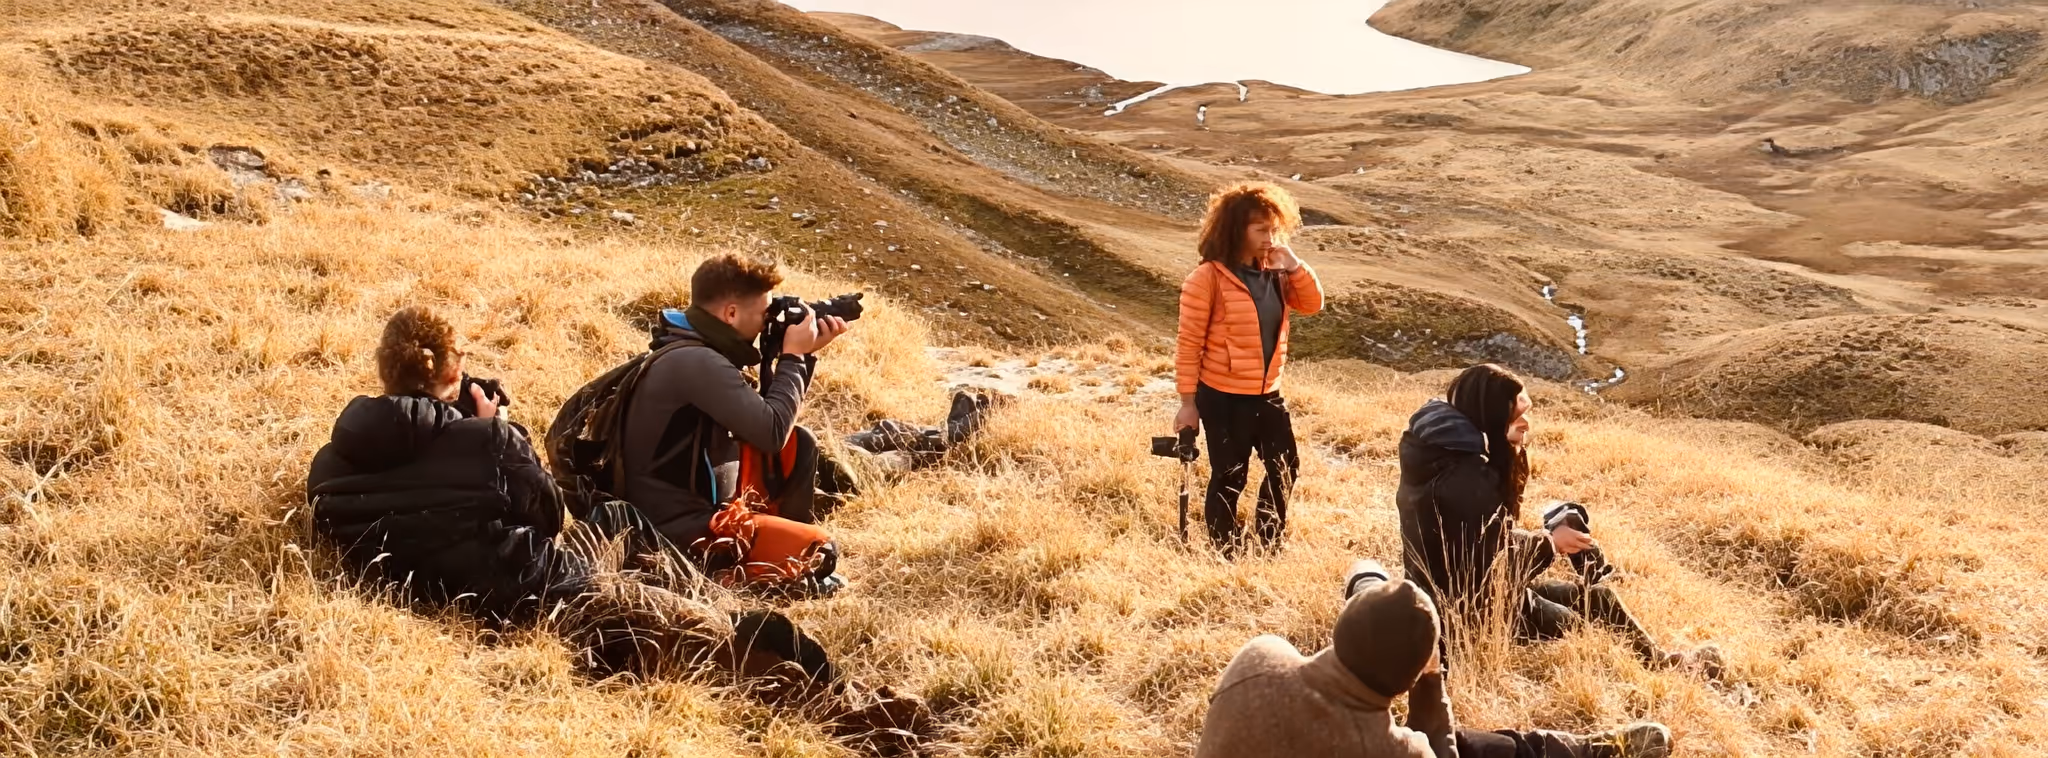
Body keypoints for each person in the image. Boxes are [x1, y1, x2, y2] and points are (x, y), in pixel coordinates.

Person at [1396, 364, 1720, 675]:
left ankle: (1661, 661)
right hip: (1468, 611)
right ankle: (1665, 667)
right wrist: (1551, 544)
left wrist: (1505, 453)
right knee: (1579, 624)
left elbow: (1487, 536)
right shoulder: (1463, 480)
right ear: (1490, 418)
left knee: (1600, 599)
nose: (1527, 424)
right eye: (1517, 416)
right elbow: (1492, 563)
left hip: (1461, 593)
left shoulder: (1440, 454)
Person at [1195, 559, 1673, 758]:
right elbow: (1441, 748)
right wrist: (1431, 680)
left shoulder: (1257, 658)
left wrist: (1370, 598)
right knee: (1472, 747)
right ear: (1404, 682)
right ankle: (1591, 752)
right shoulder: (1390, 748)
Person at [606, 253, 849, 593]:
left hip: (701, 503)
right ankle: (732, 572)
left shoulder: (689, 347)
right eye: (763, 314)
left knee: (799, 444)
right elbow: (770, 432)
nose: (766, 323)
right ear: (731, 313)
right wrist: (793, 357)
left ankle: (773, 546)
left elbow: (769, 422)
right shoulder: (697, 362)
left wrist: (802, 355)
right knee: (819, 550)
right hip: (674, 530)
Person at [1173, 181, 1324, 557]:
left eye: (1275, 229)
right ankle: (1224, 551)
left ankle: (1268, 542)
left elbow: (1312, 304)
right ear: (1236, 229)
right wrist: (1187, 404)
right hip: (1222, 397)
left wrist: (1294, 264)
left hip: (1268, 393)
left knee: (1285, 467)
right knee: (1230, 476)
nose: (1270, 238)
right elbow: (1188, 345)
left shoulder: (1275, 271)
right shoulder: (1206, 279)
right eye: (1261, 230)